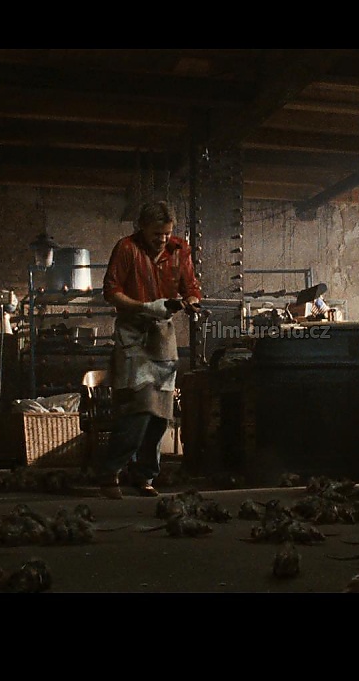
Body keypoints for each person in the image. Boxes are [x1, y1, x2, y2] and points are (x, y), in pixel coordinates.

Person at [95, 201, 202, 499]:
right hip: (133, 334)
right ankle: (110, 473)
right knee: (138, 409)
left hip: (163, 336)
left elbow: (192, 288)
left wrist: (190, 303)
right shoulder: (127, 248)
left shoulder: (180, 250)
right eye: (157, 233)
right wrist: (144, 307)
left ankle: (144, 476)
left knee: (160, 414)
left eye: (167, 233)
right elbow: (111, 292)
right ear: (141, 227)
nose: (163, 239)